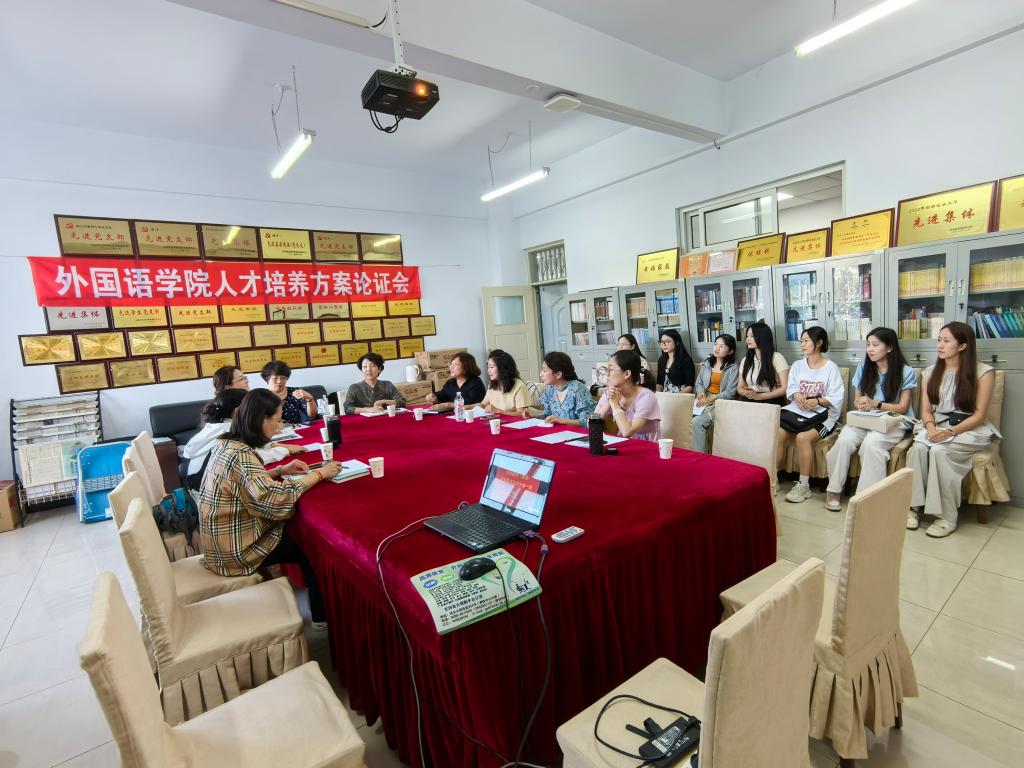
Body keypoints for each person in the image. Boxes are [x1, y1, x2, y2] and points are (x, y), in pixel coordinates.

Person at [199, 389, 341, 625]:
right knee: (311, 545)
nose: (279, 427)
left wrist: (279, 470)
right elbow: (275, 499)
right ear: (261, 419)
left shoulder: (226, 443)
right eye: (277, 420)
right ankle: (321, 617)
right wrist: (319, 474)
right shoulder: (241, 455)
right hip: (235, 549)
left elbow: (244, 483)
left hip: (219, 542)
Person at [906, 321, 997, 538]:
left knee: (939, 451)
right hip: (937, 426)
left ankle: (947, 517)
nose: (940, 345)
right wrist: (930, 428)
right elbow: (926, 410)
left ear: (963, 345)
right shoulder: (930, 372)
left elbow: (979, 415)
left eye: (946, 341)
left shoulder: (983, 372)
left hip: (969, 429)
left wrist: (950, 432)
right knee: (918, 449)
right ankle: (912, 507)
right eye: (939, 340)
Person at [824, 328, 917, 510]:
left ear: (889, 348)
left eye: (875, 345)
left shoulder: (906, 371)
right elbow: (857, 399)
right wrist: (862, 404)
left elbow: (902, 408)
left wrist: (876, 404)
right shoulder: (863, 367)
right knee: (844, 440)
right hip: (866, 419)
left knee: (871, 443)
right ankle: (833, 490)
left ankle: (865, 499)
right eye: (868, 345)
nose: (870, 349)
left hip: (894, 420)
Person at [182, 389, 305, 490]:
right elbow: (256, 459)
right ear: (239, 411)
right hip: (203, 488)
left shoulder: (218, 426)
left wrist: (279, 465)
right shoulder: (229, 433)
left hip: (203, 484)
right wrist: (285, 451)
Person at [777, 326, 845, 503]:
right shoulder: (798, 365)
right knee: (779, 433)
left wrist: (817, 401)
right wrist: (797, 395)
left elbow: (837, 397)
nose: (802, 344)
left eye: (806, 340)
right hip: (798, 411)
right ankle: (772, 478)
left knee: (802, 438)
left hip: (825, 416)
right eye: (801, 341)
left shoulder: (831, 368)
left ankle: (804, 486)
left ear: (819, 342)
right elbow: (792, 388)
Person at [594, 350, 661, 441]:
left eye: (611, 369)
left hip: (647, 444)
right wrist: (610, 402)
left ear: (627, 374)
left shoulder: (646, 396)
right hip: (624, 441)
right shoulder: (611, 392)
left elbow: (627, 432)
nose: (607, 374)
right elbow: (591, 423)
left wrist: (614, 403)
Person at [691, 334, 739, 453]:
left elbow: (731, 392)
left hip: (720, 402)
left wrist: (712, 398)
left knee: (697, 422)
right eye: (716, 344)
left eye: (722, 346)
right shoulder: (707, 363)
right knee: (685, 416)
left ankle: (699, 456)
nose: (717, 348)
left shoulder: (733, 367)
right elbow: (698, 383)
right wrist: (700, 391)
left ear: (730, 351)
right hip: (703, 400)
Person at [522, 351, 596, 427]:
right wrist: (535, 416)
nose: (541, 374)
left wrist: (561, 421)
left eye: (545, 371)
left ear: (558, 374)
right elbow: (548, 415)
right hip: (558, 432)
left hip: (578, 433)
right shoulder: (549, 389)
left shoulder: (577, 388)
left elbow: (588, 422)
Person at [736, 321, 789, 406]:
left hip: (771, 400)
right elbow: (740, 387)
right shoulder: (746, 360)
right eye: (747, 336)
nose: (747, 339)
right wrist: (745, 392)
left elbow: (785, 388)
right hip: (750, 399)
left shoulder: (777, 358)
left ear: (763, 337)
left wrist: (760, 396)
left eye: (752, 336)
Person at [480, 349, 532, 416]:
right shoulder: (492, 384)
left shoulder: (519, 386)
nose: (488, 371)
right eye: (488, 367)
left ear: (502, 368)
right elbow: (483, 404)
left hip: (515, 422)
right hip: (497, 420)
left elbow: (522, 414)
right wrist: (467, 406)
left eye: (491, 367)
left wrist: (498, 411)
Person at [656, 329, 694, 394]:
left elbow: (689, 387)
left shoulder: (686, 360)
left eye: (667, 341)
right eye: (662, 342)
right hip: (664, 396)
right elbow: (659, 384)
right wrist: (659, 394)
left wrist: (674, 397)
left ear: (677, 342)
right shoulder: (661, 360)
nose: (664, 344)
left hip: (680, 395)